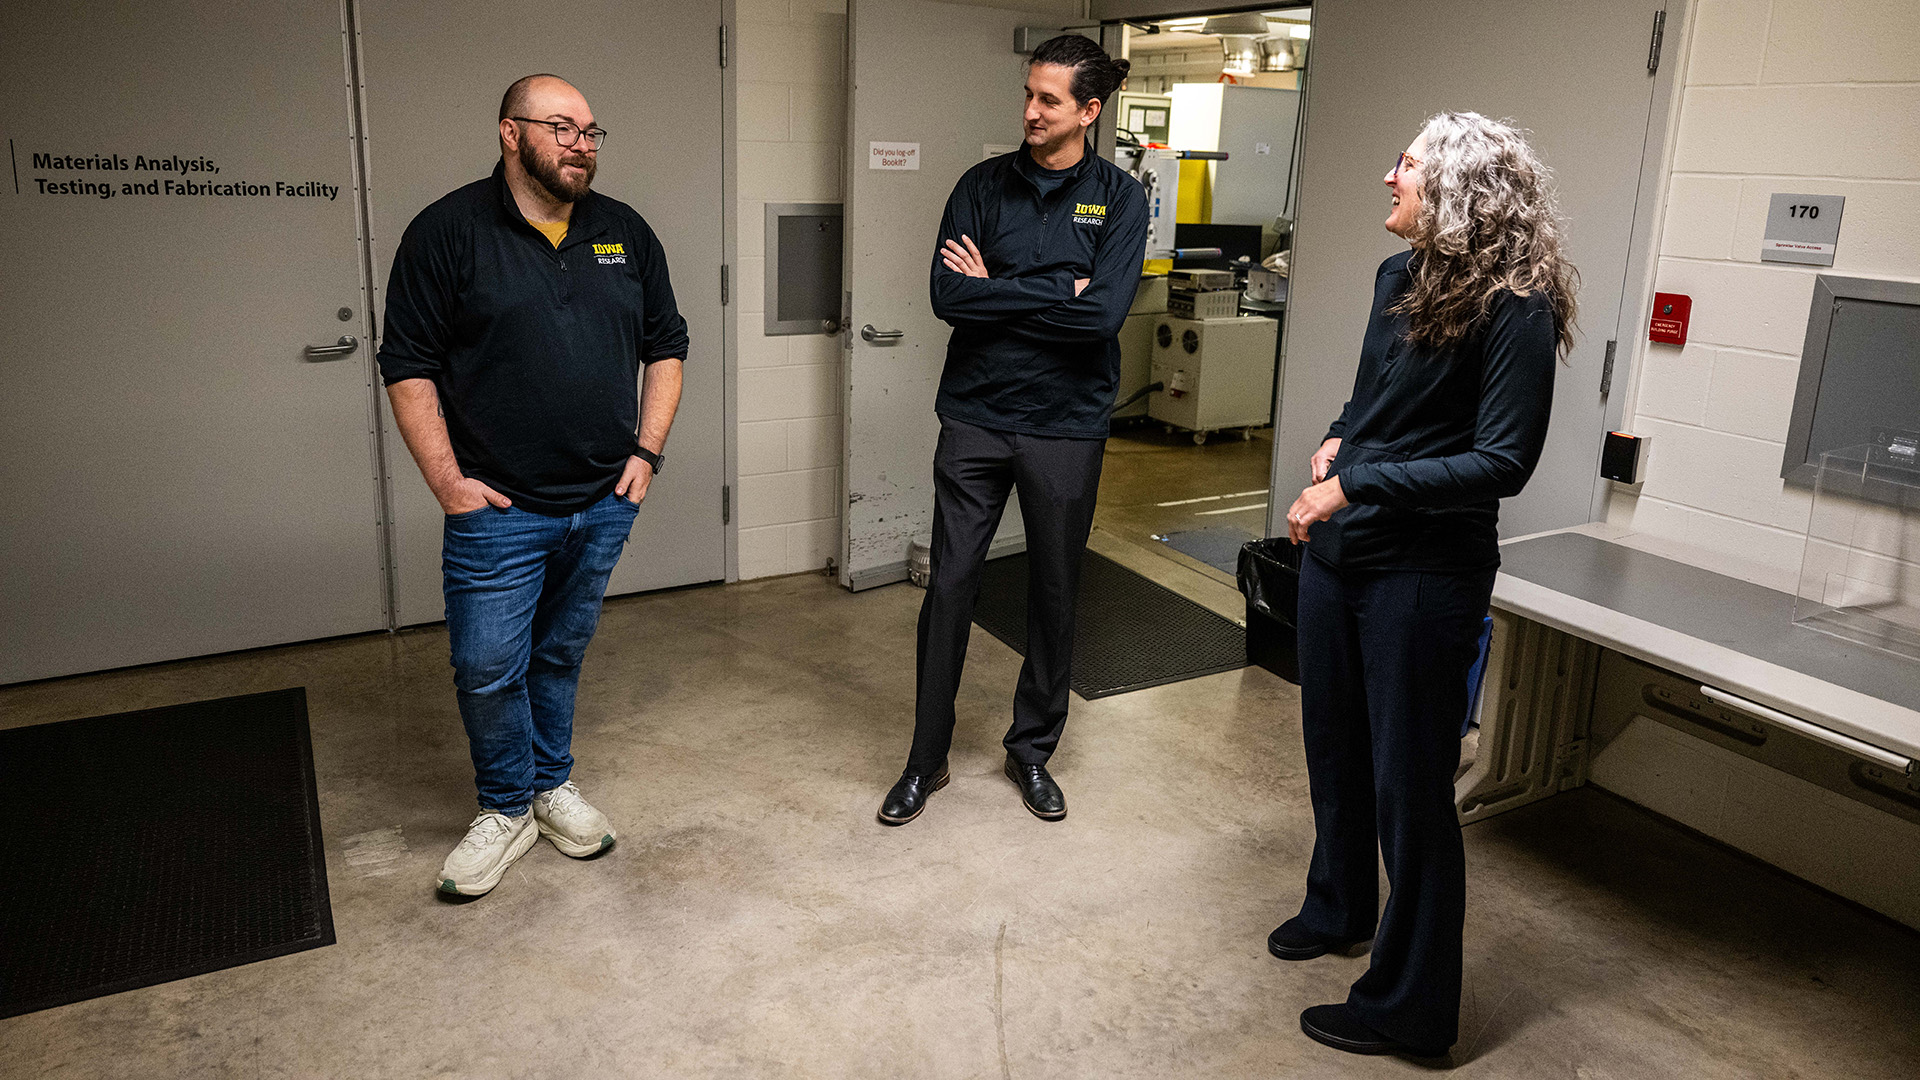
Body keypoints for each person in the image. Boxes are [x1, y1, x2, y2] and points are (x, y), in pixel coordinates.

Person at [1273, 112, 1578, 1059]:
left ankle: (1411, 1006)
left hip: (1424, 572)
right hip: (1343, 559)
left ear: (1455, 189)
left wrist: (1355, 479)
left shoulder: (1517, 305)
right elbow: (1378, 401)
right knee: (1336, 747)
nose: (1388, 175)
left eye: (1404, 164)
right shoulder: (1397, 278)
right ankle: (1339, 907)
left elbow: (1501, 462)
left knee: (1410, 788)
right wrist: (1340, 434)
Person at [377, 74, 687, 897]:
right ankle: (504, 807)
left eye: (590, 129)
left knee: (557, 653)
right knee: (486, 666)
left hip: (602, 500)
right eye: (561, 127)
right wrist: (448, 483)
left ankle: (550, 788)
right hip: (498, 508)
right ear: (510, 134)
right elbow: (406, 367)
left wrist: (645, 454)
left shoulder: (624, 232)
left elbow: (667, 346)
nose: (581, 143)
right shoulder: (446, 233)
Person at [876, 35, 1148, 826]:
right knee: (951, 586)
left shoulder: (1120, 200)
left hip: (1068, 427)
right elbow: (945, 297)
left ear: (1088, 111)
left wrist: (999, 286)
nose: (1030, 111)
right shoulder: (980, 187)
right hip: (975, 417)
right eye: (1028, 94)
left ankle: (1031, 750)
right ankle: (926, 758)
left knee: (1056, 591)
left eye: (1049, 100)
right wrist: (1053, 290)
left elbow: (1102, 314)